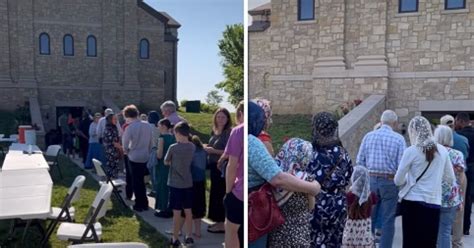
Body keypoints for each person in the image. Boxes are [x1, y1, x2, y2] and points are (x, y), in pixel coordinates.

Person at [248, 101, 321, 248]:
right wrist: (313, 187)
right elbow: (278, 179)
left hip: (276, 232)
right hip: (257, 212)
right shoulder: (252, 141)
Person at [394, 116, 455, 248]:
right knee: (428, 243)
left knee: (410, 242)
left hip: (412, 203)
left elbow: (398, 180)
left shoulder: (411, 151)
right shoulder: (443, 151)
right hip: (433, 203)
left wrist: (409, 180)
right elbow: (450, 178)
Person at [356, 110, 406, 248]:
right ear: (394, 123)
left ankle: (368, 244)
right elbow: (402, 165)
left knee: (369, 217)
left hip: (371, 180)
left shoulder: (368, 136)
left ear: (381, 120)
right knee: (388, 219)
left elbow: (360, 161)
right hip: (390, 181)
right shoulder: (399, 139)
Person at [307, 112, 353, 248]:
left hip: (315, 206)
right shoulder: (343, 154)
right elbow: (349, 176)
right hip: (338, 207)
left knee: (314, 242)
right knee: (335, 242)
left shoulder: (311, 154)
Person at [268, 138, 316, 247]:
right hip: (299, 234)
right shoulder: (306, 179)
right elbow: (311, 206)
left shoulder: (275, 177)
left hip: (277, 234)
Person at [165, 121, 196, 247]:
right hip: (188, 182)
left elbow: (166, 162)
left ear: (177, 133)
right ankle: (189, 236)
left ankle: (175, 237)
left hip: (175, 183)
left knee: (176, 212)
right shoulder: (192, 147)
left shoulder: (173, 147)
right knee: (188, 211)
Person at [440, 115, 469, 248]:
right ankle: (457, 242)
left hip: (439, 182)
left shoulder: (433, 151)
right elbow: (464, 162)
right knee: (458, 213)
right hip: (458, 180)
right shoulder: (462, 140)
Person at [434, 125, 465, 248]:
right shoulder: (457, 154)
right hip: (451, 197)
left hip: (433, 195)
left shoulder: (432, 154)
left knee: (433, 230)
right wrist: (460, 197)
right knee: (445, 231)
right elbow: (460, 178)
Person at [205, 108, 232, 233]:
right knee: (214, 194)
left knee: (220, 193)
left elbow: (230, 152)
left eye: (223, 117)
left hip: (222, 167)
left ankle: (222, 224)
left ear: (227, 119)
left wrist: (213, 151)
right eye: (218, 117)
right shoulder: (214, 130)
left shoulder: (228, 133)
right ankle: (217, 220)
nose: (220, 119)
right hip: (213, 167)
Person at [122, 105, 153, 212]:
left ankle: (139, 204)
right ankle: (144, 202)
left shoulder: (129, 127)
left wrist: (127, 151)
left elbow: (125, 144)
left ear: (127, 116)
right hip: (145, 155)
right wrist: (148, 152)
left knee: (136, 181)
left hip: (134, 156)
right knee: (141, 181)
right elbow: (151, 142)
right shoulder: (148, 125)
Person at [342, 166, 377, 248]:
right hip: (365, 235)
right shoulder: (372, 196)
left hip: (350, 236)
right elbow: (371, 211)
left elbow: (346, 211)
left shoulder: (349, 196)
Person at [223, 121, 244, 248]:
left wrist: (228, 192)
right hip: (255, 192)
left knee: (231, 231)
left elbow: (232, 165)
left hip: (239, 191)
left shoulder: (238, 131)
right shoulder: (263, 136)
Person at [455, 112, 474, 235]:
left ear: (461, 121)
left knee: (461, 198)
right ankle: (467, 227)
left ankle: (459, 226)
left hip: (463, 169)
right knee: (470, 199)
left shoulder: (459, 136)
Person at [154, 119, 176, 218]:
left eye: (158, 125)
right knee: (169, 187)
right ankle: (170, 207)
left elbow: (159, 155)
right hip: (171, 165)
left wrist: (154, 152)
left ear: (163, 126)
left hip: (162, 165)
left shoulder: (161, 138)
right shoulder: (173, 137)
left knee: (162, 186)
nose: (157, 127)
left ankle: (163, 209)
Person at [189, 135, 207, 239]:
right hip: (200, 182)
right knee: (199, 208)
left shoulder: (191, 152)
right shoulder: (202, 151)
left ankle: (188, 232)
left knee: (188, 208)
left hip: (190, 182)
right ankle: (198, 232)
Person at [147, 111, 161, 197]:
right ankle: (156, 189)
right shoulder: (159, 126)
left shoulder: (148, 127)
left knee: (153, 172)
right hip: (160, 150)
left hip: (152, 150)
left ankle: (155, 190)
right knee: (157, 172)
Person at [103, 113, 122, 178]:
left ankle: (112, 181)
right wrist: (122, 149)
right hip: (111, 151)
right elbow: (114, 142)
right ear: (110, 120)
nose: (116, 120)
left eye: (116, 119)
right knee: (112, 167)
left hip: (112, 151)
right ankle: (113, 183)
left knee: (112, 167)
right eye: (114, 119)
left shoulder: (113, 127)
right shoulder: (110, 129)